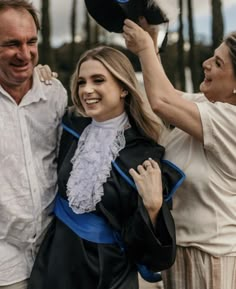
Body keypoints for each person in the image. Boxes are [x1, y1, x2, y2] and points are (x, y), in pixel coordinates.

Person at [27, 45, 185, 289]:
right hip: (56, 257)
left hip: (108, 272)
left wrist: (153, 208)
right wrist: (33, 78)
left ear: (124, 88)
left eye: (98, 80)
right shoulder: (69, 126)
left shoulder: (143, 154)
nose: (86, 90)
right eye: (81, 82)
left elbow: (151, 254)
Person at [123, 17, 236, 289]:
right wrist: (152, 44)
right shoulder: (205, 105)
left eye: (218, 63)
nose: (206, 63)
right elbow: (166, 94)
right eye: (212, 56)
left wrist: (145, 51)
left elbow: (161, 101)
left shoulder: (230, 121)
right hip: (179, 250)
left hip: (212, 256)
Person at [0, 1, 67, 288]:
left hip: (54, 250)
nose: (25, 54)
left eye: (31, 42)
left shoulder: (55, 94)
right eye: (12, 44)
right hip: (5, 259)